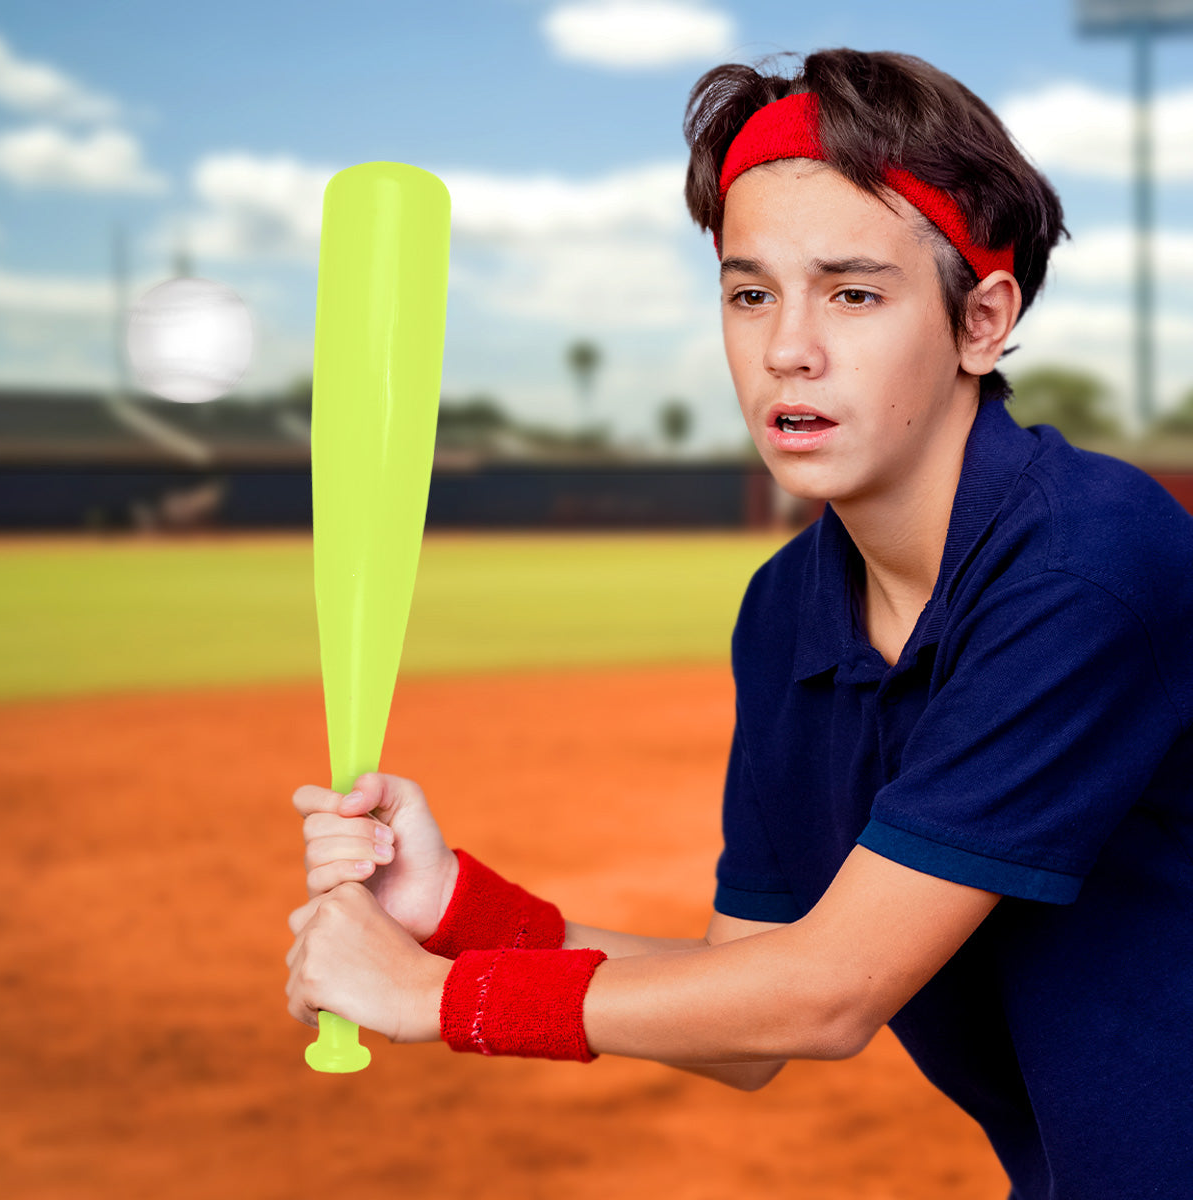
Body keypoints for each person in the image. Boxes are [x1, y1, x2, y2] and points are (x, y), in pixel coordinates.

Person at [285, 48, 1193, 1198]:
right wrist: (456, 914)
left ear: (982, 320)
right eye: (749, 290)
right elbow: (748, 1008)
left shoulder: (1084, 565)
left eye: (852, 292)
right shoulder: (788, 613)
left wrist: (429, 1000)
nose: (784, 348)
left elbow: (828, 994)